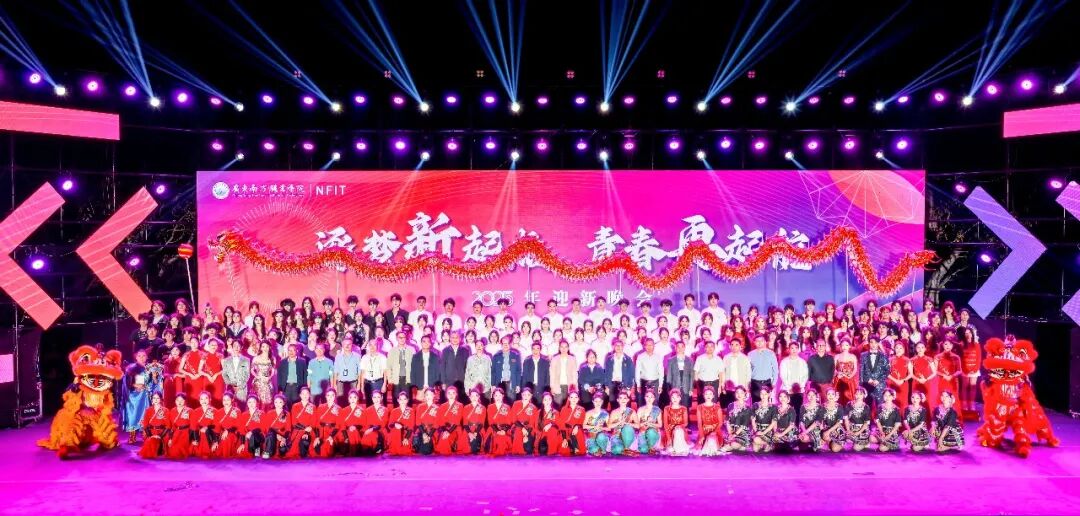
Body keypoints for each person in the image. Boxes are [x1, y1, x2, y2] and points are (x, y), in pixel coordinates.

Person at [122, 349, 154, 444]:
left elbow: (151, 382)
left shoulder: (149, 368)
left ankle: (145, 434)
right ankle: (132, 436)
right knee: (134, 414)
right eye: (139, 356)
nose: (141, 358)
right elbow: (126, 381)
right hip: (134, 396)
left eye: (143, 356)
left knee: (145, 414)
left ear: (146, 357)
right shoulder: (131, 368)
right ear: (136, 357)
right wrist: (134, 385)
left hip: (145, 396)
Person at [859, 337, 891, 413]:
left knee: (880, 406)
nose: (873, 344)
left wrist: (878, 380)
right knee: (867, 406)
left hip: (880, 385)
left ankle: (880, 420)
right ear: (869, 343)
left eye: (875, 342)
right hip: (867, 384)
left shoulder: (884, 355)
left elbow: (887, 371)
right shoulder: (863, 355)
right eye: (871, 342)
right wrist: (866, 380)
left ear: (878, 344)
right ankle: (867, 420)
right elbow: (861, 370)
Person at [438, 331, 470, 401]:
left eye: (457, 337)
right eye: (453, 337)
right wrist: (443, 382)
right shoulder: (445, 351)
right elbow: (442, 368)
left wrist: (467, 382)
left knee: (461, 401)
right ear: (450, 338)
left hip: (461, 382)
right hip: (448, 381)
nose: (455, 339)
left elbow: (468, 368)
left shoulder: (465, 351)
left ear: (460, 339)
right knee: (449, 401)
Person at [287, 387, 317, 459]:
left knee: (306, 443)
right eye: (303, 394)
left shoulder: (313, 407)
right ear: (300, 395)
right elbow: (294, 423)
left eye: (307, 393)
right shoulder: (295, 406)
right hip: (298, 431)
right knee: (296, 450)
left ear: (309, 395)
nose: (305, 395)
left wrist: (307, 432)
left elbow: (314, 421)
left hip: (309, 431)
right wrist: (305, 429)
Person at [778, 342, 808, 416]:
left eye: (796, 348)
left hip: (799, 390)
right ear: (789, 349)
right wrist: (789, 388)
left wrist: (800, 386)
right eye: (792, 348)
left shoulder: (802, 362)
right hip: (787, 390)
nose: (794, 350)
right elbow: (783, 376)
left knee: (798, 411)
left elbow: (805, 376)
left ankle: (797, 423)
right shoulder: (784, 362)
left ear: (798, 349)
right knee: (787, 411)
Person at [604, 340, 636, 410]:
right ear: (613, 347)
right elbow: (606, 374)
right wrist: (607, 386)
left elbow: (631, 374)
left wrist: (629, 388)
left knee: (626, 406)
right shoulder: (609, 359)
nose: (618, 347)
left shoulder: (628, 359)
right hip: (612, 385)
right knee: (614, 406)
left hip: (624, 385)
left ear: (623, 347)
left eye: (620, 345)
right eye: (616, 345)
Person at [934, 340, 962, 419]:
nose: (948, 346)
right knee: (942, 398)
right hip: (942, 381)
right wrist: (943, 375)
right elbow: (935, 370)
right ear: (943, 345)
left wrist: (952, 376)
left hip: (953, 382)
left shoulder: (956, 357)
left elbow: (960, 371)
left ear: (952, 346)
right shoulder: (937, 357)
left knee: (953, 399)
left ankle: (954, 420)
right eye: (946, 344)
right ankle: (941, 419)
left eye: (950, 344)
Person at [433, 385, 463, 455]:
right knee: (443, 439)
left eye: (453, 393)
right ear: (446, 395)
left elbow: (457, 421)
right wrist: (445, 431)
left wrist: (449, 432)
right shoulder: (442, 406)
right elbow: (440, 421)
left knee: (446, 439)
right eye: (449, 393)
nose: (451, 395)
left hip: (455, 429)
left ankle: (453, 445)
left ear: (456, 394)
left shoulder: (460, 405)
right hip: (445, 429)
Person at [958, 327, 982, 416]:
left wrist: (975, 369)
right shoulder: (961, 344)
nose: (968, 334)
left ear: (972, 334)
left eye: (969, 333)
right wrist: (965, 369)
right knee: (964, 386)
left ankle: (971, 404)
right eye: (966, 333)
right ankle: (964, 404)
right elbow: (960, 358)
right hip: (965, 369)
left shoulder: (977, 344)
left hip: (974, 369)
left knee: (973, 387)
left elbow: (979, 358)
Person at [748, 334, 779, 402]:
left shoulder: (771, 353)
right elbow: (748, 370)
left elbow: (775, 369)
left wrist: (774, 383)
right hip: (755, 382)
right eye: (757, 341)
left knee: (767, 403)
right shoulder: (750, 354)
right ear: (754, 342)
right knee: (755, 404)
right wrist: (748, 383)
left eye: (761, 341)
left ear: (765, 342)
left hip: (767, 382)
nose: (759, 342)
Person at [721, 386, 752, 453]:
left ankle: (732, 446)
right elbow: (727, 420)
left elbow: (744, 424)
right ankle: (739, 446)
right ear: (735, 394)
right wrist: (730, 433)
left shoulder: (748, 408)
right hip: (731, 431)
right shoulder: (730, 405)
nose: (739, 395)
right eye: (737, 392)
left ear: (745, 394)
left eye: (741, 393)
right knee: (728, 442)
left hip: (742, 432)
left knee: (733, 444)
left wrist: (734, 435)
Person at [138, 391, 169, 459]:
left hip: (162, 433)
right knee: (150, 447)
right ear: (152, 399)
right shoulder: (148, 410)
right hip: (151, 432)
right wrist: (150, 436)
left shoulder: (165, 410)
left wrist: (160, 436)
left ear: (161, 399)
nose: (156, 400)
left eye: (157, 398)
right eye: (154, 398)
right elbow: (145, 425)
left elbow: (168, 426)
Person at [490, 337, 522, 402]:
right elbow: (493, 372)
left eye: (507, 343)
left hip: (511, 384)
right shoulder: (496, 356)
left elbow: (518, 371)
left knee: (511, 402)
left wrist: (518, 385)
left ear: (510, 344)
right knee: (499, 403)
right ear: (501, 345)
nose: (506, 345)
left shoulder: (516, 355)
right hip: (499, 384)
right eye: (504, 343)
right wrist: (493, 384)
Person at [910, 342, 938, 414]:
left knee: (926, 400)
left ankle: (926, 418)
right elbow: (911, 374)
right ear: (916, 349)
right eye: (918, 347)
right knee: (916, 400)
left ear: (925, 349)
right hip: (916, 382)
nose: (920, 349)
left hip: (926, 383)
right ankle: (916, 417)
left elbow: (934, 372)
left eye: (922, 347)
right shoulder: (912, 360)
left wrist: (926, 379)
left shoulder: (929, 359)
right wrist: (918, 379)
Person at [696, 386, 724, 456]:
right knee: (702, 447)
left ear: (713, 396)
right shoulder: (699, 407)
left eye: (710, 394)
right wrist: (701, 435)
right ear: (703, 395)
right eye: (706, 394)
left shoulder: (717, 407)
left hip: (715, 431)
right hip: (704, 431)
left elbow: (720, 422)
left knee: (711, 441)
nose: (708, 396)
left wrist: (714, 432)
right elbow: (699, 423)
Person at [635, 339, 664, 406]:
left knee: (655, 402)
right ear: (644, 346)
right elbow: (637, 371)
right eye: (647, 345)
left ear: (654, 346)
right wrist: (638, 385)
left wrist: (660, 385)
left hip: (655, 382)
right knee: (642, 403)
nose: (649, 347)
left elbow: (661, 372)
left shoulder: (658, 357)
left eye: (651, 345)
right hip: (643, 382)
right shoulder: (640, 356)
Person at [722, 339, 751, 407]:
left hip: (741, 386)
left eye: (736, 345)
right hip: (729, 387)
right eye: (732, 345)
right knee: (730, 406)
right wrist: (723, 385)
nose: (734, 347)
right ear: (729, 346)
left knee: (741, 406)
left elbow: (748, 374)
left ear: (740, 346)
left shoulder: (745, 358)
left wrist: (747, 387)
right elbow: (723, 372)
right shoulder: (726, 358)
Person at [386, 331, 414, 401]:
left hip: (407, 379)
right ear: (396, 338)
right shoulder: (392, 351)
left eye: (403, 337)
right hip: (396, 378)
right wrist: (390, 379)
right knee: (396, 400)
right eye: (400, 337)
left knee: (407, 400)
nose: (402, 339)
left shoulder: (411, 350)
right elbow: (388, 366)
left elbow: (414, 366)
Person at [509, 388, 539, 455]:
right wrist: (522, 428)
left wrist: (526, 434)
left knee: (528, 449)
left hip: (528, 429)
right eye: (524, 394)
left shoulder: (534, 408)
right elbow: (514, 419)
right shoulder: (516, 404)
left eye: (528, 395)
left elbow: (532, 424)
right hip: (516, 427)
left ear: (531, 396)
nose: (526, 396)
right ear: (521, 395)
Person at [386, 390, 416, 456]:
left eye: (404, 399)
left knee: (405, 450)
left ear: (407, 400)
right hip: (396, 433)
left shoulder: (411, 411)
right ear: (398, 400)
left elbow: (411, 427)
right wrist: (395, 424)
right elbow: (390, 425)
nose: (402, 401)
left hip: (407, 433)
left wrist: (406, 438)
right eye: (400, 399)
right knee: (396, 430)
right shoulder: (394, 411)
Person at [665, 341, 694, 408]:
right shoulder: (671, 360)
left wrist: (691, 389)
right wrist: (669, 389)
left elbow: (691, 376)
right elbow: (669, 376)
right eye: (678, 347)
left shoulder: (689, 360)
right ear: (675, 348)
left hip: (686, 387)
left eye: (682, 347)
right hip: (675, 387)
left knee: (685, 407)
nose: (680, 349)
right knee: (675, 406)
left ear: (684, 348)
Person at [359, 390, 389, 455]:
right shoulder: (367, 410)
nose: (376, 399)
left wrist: (372, 429)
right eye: (374, 397)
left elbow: (383, 424)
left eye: (378, 397)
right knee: (367, 435)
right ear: (372, 398)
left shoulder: (385, 410)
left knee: (372, 434)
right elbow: (365, 423)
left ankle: (377, 447)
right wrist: (367, 430)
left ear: (382, 398)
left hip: (380, 430)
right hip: (369, 429)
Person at [872, 388, 902, 452]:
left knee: (882, 449)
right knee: (871, 438)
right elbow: (878, 421)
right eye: (885, 395)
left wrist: (889, 435)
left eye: (889, 395)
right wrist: (881, 432)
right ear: (883, 396)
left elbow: (897, 425)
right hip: (881, 430)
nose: (887, 397)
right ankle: (883, 442)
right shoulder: (880, 407)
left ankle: (889, 444)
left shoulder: (896, 409)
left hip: (891, 431)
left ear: (893, 397)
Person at [486, 387, 514, 456]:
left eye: (500, 395)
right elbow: (490, 421)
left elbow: (509, 421)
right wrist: (498, 431)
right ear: (493, 396)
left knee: (504, 437)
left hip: (505, 429)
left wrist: (504, 431)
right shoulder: (490, 407)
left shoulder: (507, 407)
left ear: (503, 396)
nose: (498, 397)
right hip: (493, 428)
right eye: (496, 395)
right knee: (495, 437)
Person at [314, 389, 342, 458]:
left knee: (326, 447)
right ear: (326, 396)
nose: (330, 397)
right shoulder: (320, 407)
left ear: (335, 396)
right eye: (328, 395)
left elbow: (338, 425)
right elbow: (317, 423)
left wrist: (331, 436)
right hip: (322, 432)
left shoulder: (339, 409)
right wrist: (317, 437)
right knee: (315, 448)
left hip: (332, 432)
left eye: (332, 395)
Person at [558, 390, 587, 456]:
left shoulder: (581, 409)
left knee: (581, 452)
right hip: (565, 431)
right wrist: (564, 439)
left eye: (576, 397)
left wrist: (577, 426)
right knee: (564, 452)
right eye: (572, 397)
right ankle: (570, 444)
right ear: (569, 398)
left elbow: (581, 422)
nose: (574, 399)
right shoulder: (564, 409)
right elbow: (562, 425)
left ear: (578, 399)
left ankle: (575, 447)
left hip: (576, 431)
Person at [663, 389, 691, 456]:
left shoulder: (683, 408)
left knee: (678, 431)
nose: (675, 399)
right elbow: (665, 424)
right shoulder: (666, 408)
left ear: (680, 398)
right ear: (670, 398)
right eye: (673, 397)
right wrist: (669, 437)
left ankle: (679, 449)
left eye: (677, 397)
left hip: (680, 429)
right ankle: (672, 445)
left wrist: (679, 426)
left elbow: (686, 423)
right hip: (669, 430)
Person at [549, 339, 578, 405]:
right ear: (559, 348)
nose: (563, 349)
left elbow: (574, 374)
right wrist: (552, 387)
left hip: (569, 386)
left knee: (568, 405)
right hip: (557, 386)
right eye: (562, 347)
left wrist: (575, 387)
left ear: (568, 348)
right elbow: (552, 374)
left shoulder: (572, 359)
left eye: (565, 347)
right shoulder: (554, 359)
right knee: (558, 405)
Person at [332, 339, 361, 404]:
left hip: (353, 382)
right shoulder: (338, 357)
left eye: (349, 344)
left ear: (352, 345)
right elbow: (336, 371)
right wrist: (334, 384)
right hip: (340, 383)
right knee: (340, 402)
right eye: (345, 344)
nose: (347, 346)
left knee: (353, 402)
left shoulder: (357, 356)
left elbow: (359, 371)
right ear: (342, 346)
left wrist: (359, 384)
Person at [359, 339, 388, 404]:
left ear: (377, 346)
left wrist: (384, 384)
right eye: (370, 345)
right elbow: (362, 373)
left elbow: (385, 372)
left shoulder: (382, 357)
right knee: (369, 403)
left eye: (374, 345)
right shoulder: (364, 358)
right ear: (368, 346)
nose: (372, 347)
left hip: (378, 383)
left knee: (380, 403)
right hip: (367, 384)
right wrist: (362, 386)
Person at [214, 392, 241, 459]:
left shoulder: (237, 411)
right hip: (222, 433)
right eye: (224, 400)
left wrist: (228, 431)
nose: (226, 402)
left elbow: (238, 426)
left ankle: (226, 458)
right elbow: (217, 428)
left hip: (233, 433)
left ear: (232, 400)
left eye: (228, 400)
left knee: (226, 438)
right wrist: (215, 441)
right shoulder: (219, 412)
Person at [635, 388, 663, 454]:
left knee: (651, 432)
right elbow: (637, 425)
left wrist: (651, 424)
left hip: (653, 433)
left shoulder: (657, 409)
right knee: (643, 450)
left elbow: (660, 425)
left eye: (651, 397)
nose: (649, 399)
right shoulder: (640, 409)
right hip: (643, 433)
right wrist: (644, 423)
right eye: (647, 396)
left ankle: (652, 446)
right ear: (644, 397)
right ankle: (647, 447)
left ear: (654, 398)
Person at [751, 386, 778, 453]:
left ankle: (769, 443)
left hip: (768, 431)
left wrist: (763, 432)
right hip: (758, 430)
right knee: (755, 450)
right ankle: (765, 444)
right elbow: (753, 420)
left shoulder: (773, 407)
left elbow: (773, 423)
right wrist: (756, 431)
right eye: (761, 394)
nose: (763, 396)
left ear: (769, 394)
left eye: (765, 394)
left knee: (756, 440)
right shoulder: (755, 405)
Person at [166, 394, 193, 459]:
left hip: (186, 433)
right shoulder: (172, 411)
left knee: (181, 452)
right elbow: (171, 426)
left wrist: (192, 438)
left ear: (185, 401)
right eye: (178, 400)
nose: (179, 402)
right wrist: (170, 438)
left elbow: (193, 426)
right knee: (172, 452)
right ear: (175, 401)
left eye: (182, 400)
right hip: (176, 432)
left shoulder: (190, 411)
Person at [888, 341, 913, 413]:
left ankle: (902, 417)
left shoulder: (908, 360)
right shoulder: (890, 359)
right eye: (897, 348)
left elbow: (911, 374)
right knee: (892, 400)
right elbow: (886, 373)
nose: (898, 350)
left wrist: (903, 380)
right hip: (892, 383)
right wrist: (895, 380)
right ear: (894, 349)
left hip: (903, 384)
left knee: (903, 402)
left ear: (904, 350)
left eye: (900, 348)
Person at [462, 388, 489, 455]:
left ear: (478, 396)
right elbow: (465, 423)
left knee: (475, 447)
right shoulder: (466, 407)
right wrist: (470, 433)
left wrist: (475, 433)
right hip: (468, 429)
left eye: (476, 395)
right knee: (467, 448)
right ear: (469, 397)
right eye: (472, 396)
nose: (474, 398)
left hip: (479, 429)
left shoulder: (482, 408)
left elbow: (482, 423)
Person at [265, 394, 293, 459]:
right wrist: (276, 435)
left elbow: (288, 429)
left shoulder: (287, 414)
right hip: (272, 436)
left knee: (283, 450)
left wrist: (284, 439)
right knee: (270, 436)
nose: (278, 404)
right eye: (276, 402)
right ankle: (268, 454)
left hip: (283, 436)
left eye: (280, 402)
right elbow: (268, 428)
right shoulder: (270, 413)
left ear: (283, 403)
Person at [845, 387, 872, 452]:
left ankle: (865, 442)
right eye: (856, 394)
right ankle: (856, 441)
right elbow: (846, 418)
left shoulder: (866, 407)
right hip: (851, 428)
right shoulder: (849, 404)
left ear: (864, 395)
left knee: (856, 448)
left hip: (862, 429)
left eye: (860, 394)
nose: (858, 396)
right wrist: (848, 430)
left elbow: (866, 423)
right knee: (843, 439)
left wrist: (858, 432)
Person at [833, 339, 859, 405]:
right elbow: (833, 368)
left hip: (849, 380)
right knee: (839, 397)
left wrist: (851, 375)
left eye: (846, 345)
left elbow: (855, 369)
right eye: (843, 345)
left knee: (849, 397)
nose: (844, 347)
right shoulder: (837, 356)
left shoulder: (853, 356)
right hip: (839, 379)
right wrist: (837, 373)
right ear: (840, 346)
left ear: (849, 346)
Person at [413, 389, 439, 456]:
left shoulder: (437, 408)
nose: (428, 396)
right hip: (421, 431)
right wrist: (424, 434)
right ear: (424, 396)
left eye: (430, 394)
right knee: (422, 449)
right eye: (427, 395)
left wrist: (429, 436)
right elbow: (418, 422)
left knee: (426, 450)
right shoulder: (420, 406)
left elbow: (436, 425)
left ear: (434, 395)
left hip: (432, 432)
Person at [584, 392, 610, 456]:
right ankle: (596, 450)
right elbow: (583, 426)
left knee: (601, 437)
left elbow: (609, 428)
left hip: (601, 436)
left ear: (602, 402)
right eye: (596, 401)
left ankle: (602, 450)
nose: (598, 403)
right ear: (593, 401)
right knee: (594, 449)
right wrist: (594, 427)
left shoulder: (605, 414)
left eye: (599, 401)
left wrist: (601, 428)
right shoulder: (588, 413)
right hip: (591, 436)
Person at [536, 392, 562, 456]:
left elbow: (560, 426)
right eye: (545, 400)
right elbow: (536, 427)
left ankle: (552, 451)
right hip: (542, 434)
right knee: (542, 450)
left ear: (552, 400)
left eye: (549, 399)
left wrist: (551, 425)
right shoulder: (538, 412)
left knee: (552, 430)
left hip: (553, 435)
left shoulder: (555, 412)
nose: (547, 401)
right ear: (543, 401)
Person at [340, 390, 365, 456]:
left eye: (355, 397)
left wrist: (355, 427)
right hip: (346, 432)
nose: (353, 399)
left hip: (357, 432)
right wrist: (346, 437)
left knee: (353, 432)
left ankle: (352, 452)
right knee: (350, 432)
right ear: (348, 399)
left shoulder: (362, 410)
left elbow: (363, 424)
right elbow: (342, 425)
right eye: (351, 397)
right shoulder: (344, 410)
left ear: (357, 398)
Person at [821, 388, 846, 453]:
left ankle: (841, 443)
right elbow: (820, 420)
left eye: (832, 394)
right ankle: (829, 442)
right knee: (823, 438)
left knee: (835, 449)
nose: (830, 396)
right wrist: (822, 429)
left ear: (835, 395)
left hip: (837, 429)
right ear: (826, 395)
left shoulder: (839, 407)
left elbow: (839, 423)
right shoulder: (823, 406)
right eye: (828, 394)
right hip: (827, 428)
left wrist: (828, 431)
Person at [201, 339, 225, 406]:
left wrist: (216, 374)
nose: (214, 346)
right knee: (207, 398)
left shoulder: (220, 355)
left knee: (218, 397)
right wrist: (208, 375)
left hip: (218, 379)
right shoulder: (204, 356)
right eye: (212, 345)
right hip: (207, 380)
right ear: (208, 346)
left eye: (215, 345)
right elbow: (199, 370)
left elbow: (225, 369)